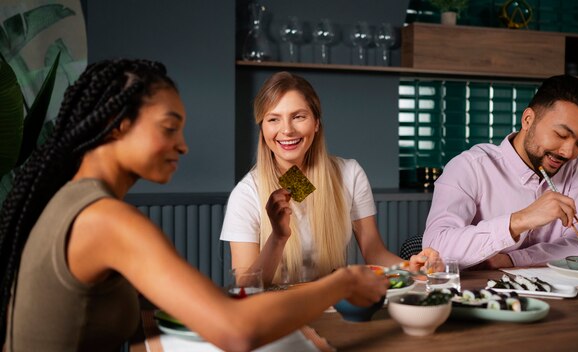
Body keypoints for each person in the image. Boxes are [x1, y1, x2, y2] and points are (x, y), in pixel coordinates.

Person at [0, 60, 389, 352]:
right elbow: (237, 329)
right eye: (170, 128)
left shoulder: (75, 201)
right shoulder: (106, 220)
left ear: (317, 123)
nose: (184, 145)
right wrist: (345, 281)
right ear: (118, 124)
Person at [220, 71, 439, 286]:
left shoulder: (349, 174)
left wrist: (410, 268)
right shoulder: (247, 193)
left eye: (298, 116)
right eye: (273, 119)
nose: (286, 130)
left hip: (334, 307)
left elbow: (374, 252)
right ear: (262, 128)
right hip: (278, 313)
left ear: (316, 123)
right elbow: (245, 285)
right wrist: (278, 237)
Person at [421, 74, 578, 270]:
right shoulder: (470, 167)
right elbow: (435, 249)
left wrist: (516, 259)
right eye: (561, 135)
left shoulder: (571, 168)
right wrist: (520, 220)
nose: (569, 152)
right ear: (528, 120)